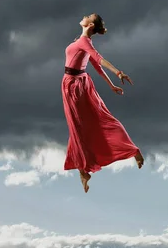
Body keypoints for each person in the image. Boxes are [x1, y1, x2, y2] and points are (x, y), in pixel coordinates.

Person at [62, 13, 144, 193]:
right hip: (77, 82)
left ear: (90, 25)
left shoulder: (85, 42)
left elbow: (99, 60)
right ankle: (84, 170)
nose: (83, 16)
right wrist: (111, 85)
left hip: (74, 85)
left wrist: (118, 73)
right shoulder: (82, 41)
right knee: (82, 125)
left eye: (87, 17)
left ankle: (87, 169)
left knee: (82, 125)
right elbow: (96, 67)